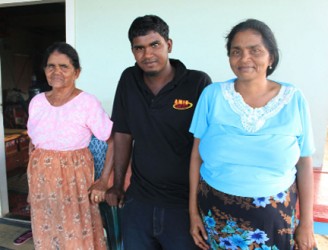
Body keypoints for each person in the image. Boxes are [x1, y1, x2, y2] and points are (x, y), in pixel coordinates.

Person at [189, 19, 316, 250]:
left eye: (255, 50)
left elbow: (304, 162)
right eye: (236, 51)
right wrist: (192, 213)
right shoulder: (212, 95)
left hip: (276, 219)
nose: (244, 58)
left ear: (271, 57)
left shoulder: (294, 99)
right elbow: (196, 156)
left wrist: (307, 223)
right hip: (216, 216)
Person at [105, 15, 212, 250]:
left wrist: (198, 207)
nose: (148, 54)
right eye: (139, 48)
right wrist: (118, 184)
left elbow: (206, 145)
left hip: (183, 205)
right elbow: (123, 133)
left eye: (155, 45)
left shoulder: (198, 82)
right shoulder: (128, 79)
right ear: (133, 51)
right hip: (138, 202)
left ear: (169, 45)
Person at [27, 42, 113, 249]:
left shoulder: (87, 103)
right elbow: (33, 143)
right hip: (41, 181)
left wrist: (103, 181)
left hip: (74, 179)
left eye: (64, 66)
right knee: (46, 233)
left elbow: (113, 140)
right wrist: (31, 189)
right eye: (51, 66)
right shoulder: (37, 102)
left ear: (77, 72)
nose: (56, 71)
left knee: (75, 235)